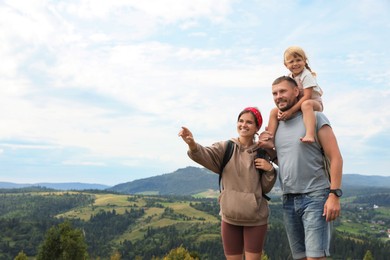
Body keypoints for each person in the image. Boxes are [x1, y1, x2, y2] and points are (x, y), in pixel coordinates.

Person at [260, 76, 343, 260]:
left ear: (296, 91)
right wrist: (270, 153)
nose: (278, 96)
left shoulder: (315, 117)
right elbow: (287, 161)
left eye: (282, 91)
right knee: (301, 257)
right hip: (288, 198)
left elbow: (336, 157)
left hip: (316, 196)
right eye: (274, 93)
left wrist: (334, 194)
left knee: (315, 257)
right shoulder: (278, 125)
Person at [179, 107, 277, 260]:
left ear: (257, 127)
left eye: (249, 122)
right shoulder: (226, 147)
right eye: (241, 121)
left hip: (256, 218)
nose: (243, 125)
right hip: (230, 217)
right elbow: (204, 154)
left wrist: (270, 170)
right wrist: (192, 144)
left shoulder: (262, 152)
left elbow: (265, 188)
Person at [267, 46, 324, 144]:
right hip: (300, 103)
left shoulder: (306, 75)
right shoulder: (289, 77)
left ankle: (310, 134)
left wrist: (291, 111)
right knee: (274, 111)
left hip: (314, 103)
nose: (295, 64)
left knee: (306, 105)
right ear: (286, 65)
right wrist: (281, 111)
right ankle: (269, 138)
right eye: (291, 61)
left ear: (304, 61)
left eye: (298, 60)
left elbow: (307, 96)